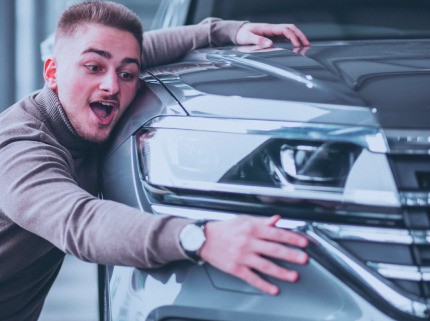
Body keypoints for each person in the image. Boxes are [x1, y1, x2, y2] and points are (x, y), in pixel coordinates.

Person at [0, 1, 309, 320]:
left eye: (127, 74)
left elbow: (133, 52)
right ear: (52, 73)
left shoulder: (80, 109)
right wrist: (200, 237)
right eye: (93, 68)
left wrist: (228, 30)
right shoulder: (19, 146)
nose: (111, 86)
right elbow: (80, 222)